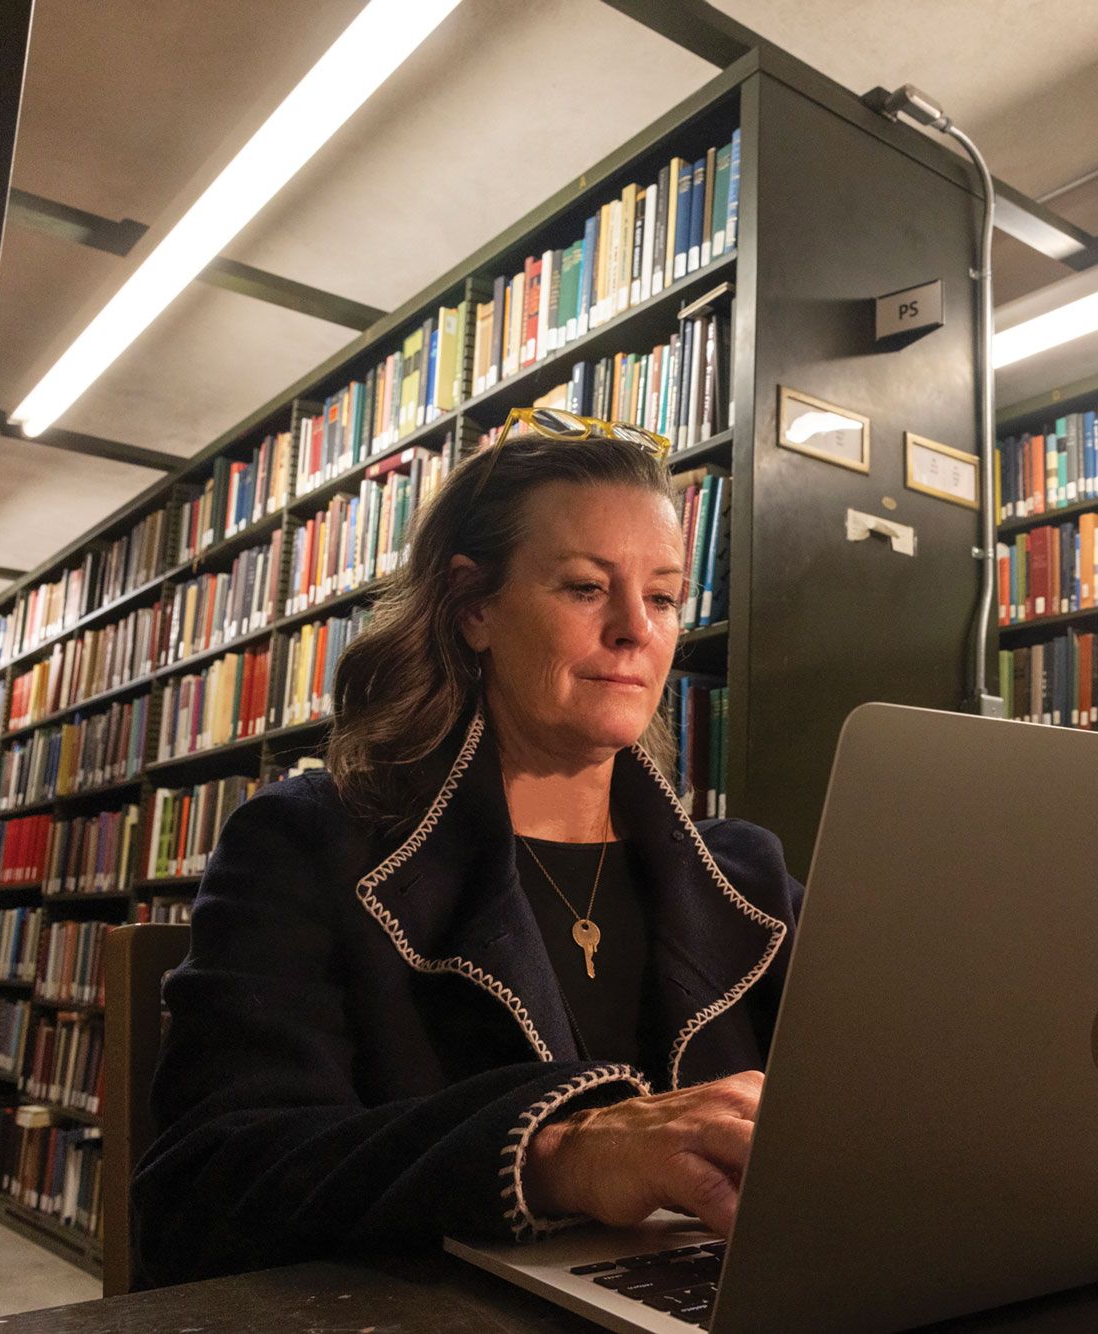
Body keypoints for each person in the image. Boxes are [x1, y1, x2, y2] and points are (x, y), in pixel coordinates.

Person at [133, 411, 801, 1285]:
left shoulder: (747, 875)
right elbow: (206, 1188)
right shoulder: (308, 845)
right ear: (473, 607)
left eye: (665, 596)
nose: (637, 629)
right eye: (586, 588)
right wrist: (558, 1154)